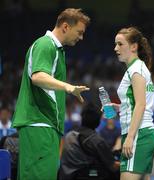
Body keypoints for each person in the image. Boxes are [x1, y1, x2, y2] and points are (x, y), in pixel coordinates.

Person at [12, 8, 90, 180]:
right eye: (79, 32)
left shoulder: (57, 50)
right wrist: (69, 87)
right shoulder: (46, 44)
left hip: (46, 125)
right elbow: (38, 76)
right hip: (39, 124)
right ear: (65, 27)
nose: (81, 37)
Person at [112, 27, 154, 180]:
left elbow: (141, 105)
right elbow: (138, 102)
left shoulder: (136, 70)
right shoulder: (139, 68)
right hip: (143, 133)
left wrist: (130, 138)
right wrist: (120, 107)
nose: (116, 48)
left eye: (120, 44)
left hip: (139, 135)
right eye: (115, 44)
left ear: (133, 46)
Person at [59, 103, 120, 180]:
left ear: (82, 117)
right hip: (87, 176)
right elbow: (113, 166)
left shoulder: (69, 135)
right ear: (98, 120)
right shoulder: (96, 140)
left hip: (66, 176)